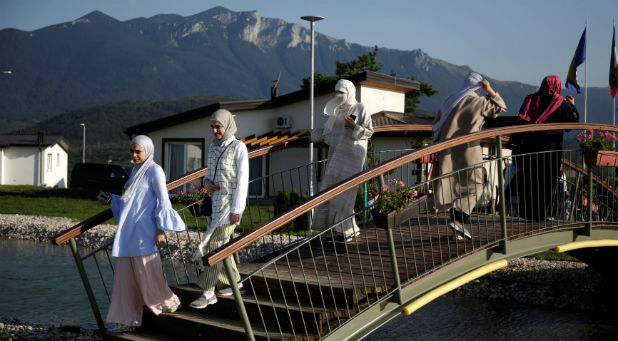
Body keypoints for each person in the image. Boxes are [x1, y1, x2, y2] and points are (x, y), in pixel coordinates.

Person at [103, 135, 187, 330]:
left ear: (147, 151)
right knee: (125, 279)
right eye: (132, 150)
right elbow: (130, 201)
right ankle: (125, 318)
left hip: (145, 232)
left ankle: (168, 301)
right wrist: (112, 199)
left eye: (138, 151)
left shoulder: (155, 171)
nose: (134, 155)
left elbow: (163, 202)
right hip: (127, 232)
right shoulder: (135, 170)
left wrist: (160, 231)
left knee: (148, 271)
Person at [431, 73, 507, 240]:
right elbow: (500, 107)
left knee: (453, 184)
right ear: (479, 86)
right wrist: (490, 91)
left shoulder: (450, 99)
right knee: (476, 184)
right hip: (469, 149)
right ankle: (460, 221)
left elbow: (436, 122)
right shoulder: (479, 102)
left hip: (447, 149)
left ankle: (456, 227)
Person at [190, 109, 249, 309]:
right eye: (213, 127)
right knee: (222, 246)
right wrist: (205, 182)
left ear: (228, 125)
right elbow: (208, 173)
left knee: (214, 246)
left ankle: (208, 293)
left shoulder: (239, 147)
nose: (215, 130)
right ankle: (236, 284)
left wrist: (237, 209)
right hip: (215, 204)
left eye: (218, 126)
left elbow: (242, 180)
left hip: (229, 207)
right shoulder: (214, 148)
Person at [507, 75, 579, 221]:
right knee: (547, 184)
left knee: (530, 181)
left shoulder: (530, 99)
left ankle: (527, 213)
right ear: (557, 86)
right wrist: (571, 105)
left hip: (530, 150)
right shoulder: (559, 102)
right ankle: (542, 214)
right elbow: (571, 125)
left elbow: (522, 119)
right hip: (550, 152)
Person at [310, 79, 374, 243]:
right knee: (334, 194)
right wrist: (306, 134)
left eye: (342, 92)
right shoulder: (337, 110)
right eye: (336, 92)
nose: (338, 95)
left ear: (350, 92)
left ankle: (347, 231)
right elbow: (326, 133)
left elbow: (369, 132)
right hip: (335, 157)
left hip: (353, 158)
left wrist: (354, 126)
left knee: (346, 195)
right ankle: (346, 229)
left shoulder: (361, 108)